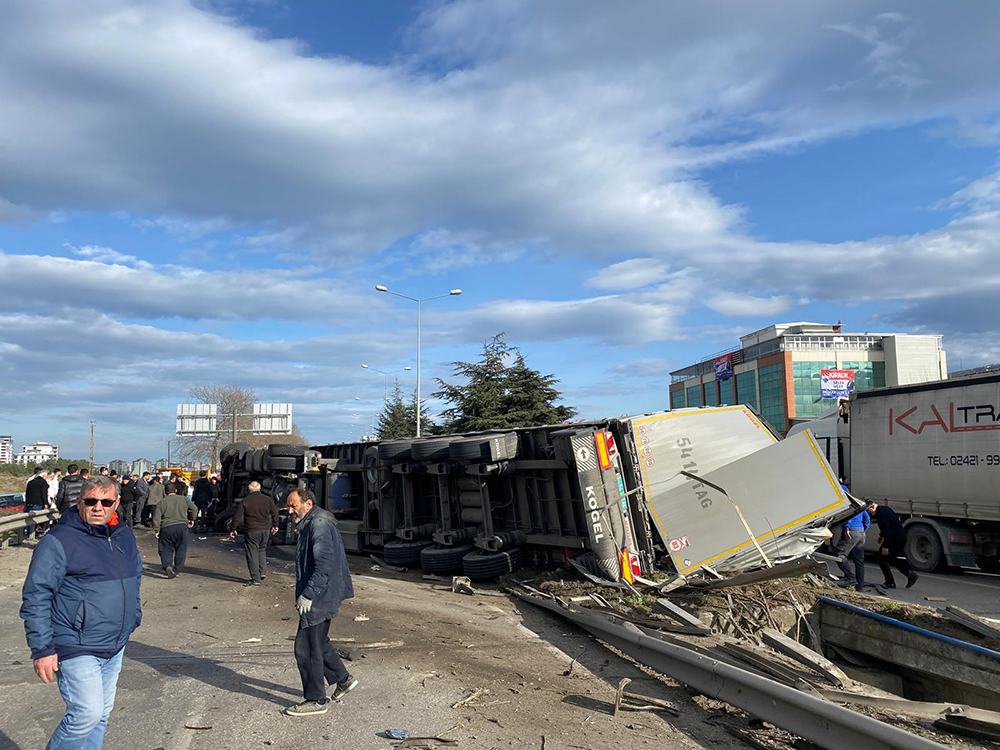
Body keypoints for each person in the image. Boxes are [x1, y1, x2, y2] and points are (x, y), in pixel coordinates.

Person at [20, 476, 142, 749]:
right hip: (76, 643)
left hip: (114, 643)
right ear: (79, 502)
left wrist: (133, 615)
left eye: (106, 502)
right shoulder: (59, 541)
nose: (98, 507)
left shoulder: (123, 535)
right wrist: (42, 649)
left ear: (116, 504)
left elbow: (135, 575)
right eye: (91, 501)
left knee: (101, 715)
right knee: (86, 714)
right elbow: (36, 595)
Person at [283, 487, 357, 717]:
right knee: (319, 641)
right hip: (323, 592)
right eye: (289, 505)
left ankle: (316, 700)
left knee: (306, 647)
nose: (290, 510)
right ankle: (343, 679)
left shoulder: (319, 525)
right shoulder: (312, 523)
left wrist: (308, 594)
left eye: (294, 505)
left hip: (320, 595)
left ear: (308, 504)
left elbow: (323, 565)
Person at [230, 481, 279, 586]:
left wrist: (233, 529)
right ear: (260, 489)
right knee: (262, 550)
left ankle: (255, 579)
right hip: (265, 529)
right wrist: (275, 525)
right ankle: (262, 572)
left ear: (249, 490)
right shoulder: (268, 499)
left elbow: (237, 517)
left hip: (252, 530)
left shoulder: (245, 501)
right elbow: (275, 513)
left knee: (252, 553)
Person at [867, 501, 918, 589]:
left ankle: (890, 581)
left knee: (882, 559)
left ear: (873, 507)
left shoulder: (880, 514)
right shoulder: (885, 509)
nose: (868, 513)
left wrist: (886, 546)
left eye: (868, 510)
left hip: (894, 539)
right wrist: (881, 535)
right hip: (901, 538)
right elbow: (890, 525)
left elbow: (887, 531)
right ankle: (910, 574)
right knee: (891, 558)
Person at [152, 484, 197, 578]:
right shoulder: (184, 499)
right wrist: (191, 519)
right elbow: (194, 509)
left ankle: (167, 565)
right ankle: (177, 570)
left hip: (167, 527)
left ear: (165, 492)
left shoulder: (161, 502)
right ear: (175, 491)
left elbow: (156, 517)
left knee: (165, 548)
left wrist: (156, 530)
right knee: (181, 549)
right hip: (182, 527)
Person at [835, 505, 869, 592]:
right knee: (859, 561)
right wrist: (863, 529)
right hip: (861, 533)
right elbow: (867, 518)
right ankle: (860, 586)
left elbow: (846, 516)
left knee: (839, 555)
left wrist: (846, 529)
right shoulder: (859, 504)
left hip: (851, 531)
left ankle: (850, 577)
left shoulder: (848, 504)